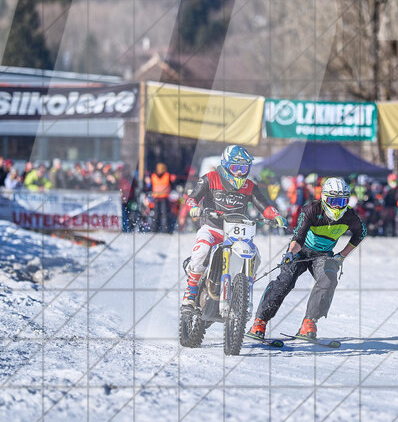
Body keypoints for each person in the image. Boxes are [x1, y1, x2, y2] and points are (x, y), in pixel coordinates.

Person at [248, 177, 366, 340]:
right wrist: (290, 254)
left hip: (323, 255)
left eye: (342, 201)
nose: (338, 206)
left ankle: (309, 322)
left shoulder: (350, 216)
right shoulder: (311, 209)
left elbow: (361, 233)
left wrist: (341, 256)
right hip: (301, 251)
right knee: (285, 281)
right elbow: (299, 235)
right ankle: (260, 321)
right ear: (324, 198)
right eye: (333, 201)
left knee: (328, 280)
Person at [181, 145, 285, 306]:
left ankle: (242, 290)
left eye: (243, 168)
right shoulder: (210, 178)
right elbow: (192, 198)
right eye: (235, 167)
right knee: (201, 251)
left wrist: (275, 215)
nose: (239, 172)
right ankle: (191, 289)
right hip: (211, 228)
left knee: (255, 256)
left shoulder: (249, 186)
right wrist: (194, 208)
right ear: (226, 165)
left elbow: (264, 205)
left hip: (237, 233)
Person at [149, 162, 175, 233]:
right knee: (164, 214)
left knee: (157, 214)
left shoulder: (153, 176)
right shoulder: (167, 175)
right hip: (163, 198)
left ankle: (155, 229)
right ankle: (165, 229)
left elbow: (150, 186)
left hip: (158, 198)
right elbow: (172, 185)